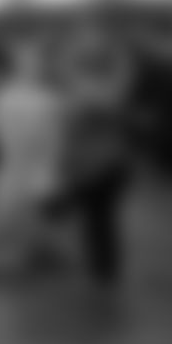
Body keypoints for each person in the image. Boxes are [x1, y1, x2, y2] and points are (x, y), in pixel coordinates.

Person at [50, 35, 137, 289]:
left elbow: (74, 128)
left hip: (93, 165)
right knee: (102, 217)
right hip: (113, 162)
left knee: (96, 218)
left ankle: (102, 267)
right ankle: (104, 265)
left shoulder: (85, 93)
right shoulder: (115, 88)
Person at [0, 42, 67, 273]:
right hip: (37, 163)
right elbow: (56, 139)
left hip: (8, 161)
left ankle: (10, 255)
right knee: (37, 208)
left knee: (8, 207)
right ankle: (36, 251)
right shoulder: (50, 100)